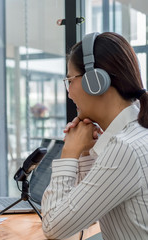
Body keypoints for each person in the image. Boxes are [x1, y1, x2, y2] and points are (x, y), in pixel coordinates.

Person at [42, 32, 148, 239]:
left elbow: (53, 227)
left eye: (70, 80)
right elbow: (87, 212)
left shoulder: (126, 149)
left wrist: (69, 154)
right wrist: (86, 152)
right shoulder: (136, 133)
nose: (69, 93)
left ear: (95, 81)